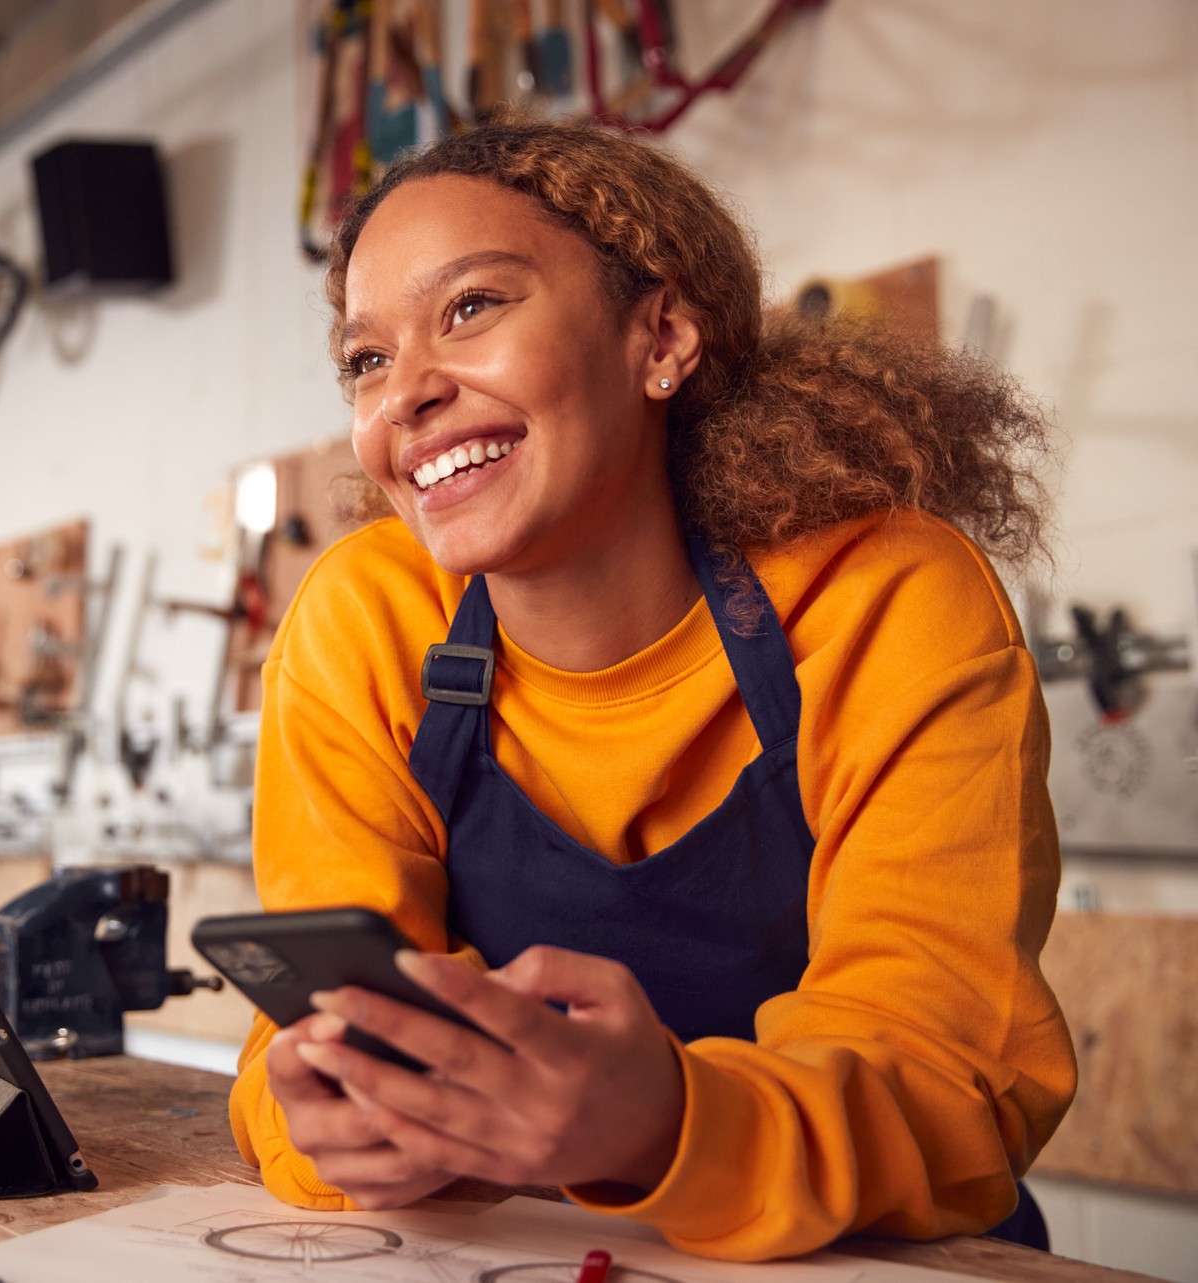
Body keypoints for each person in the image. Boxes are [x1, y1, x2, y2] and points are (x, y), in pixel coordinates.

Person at [227, 114, 1075, 1263]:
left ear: (661, 335)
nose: (404, 395)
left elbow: (951, 1081)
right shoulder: (364, 618)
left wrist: (669, 1123)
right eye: (367, 359)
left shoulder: (883, 597)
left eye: (472, 306)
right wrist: (326, 1118)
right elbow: (305, 1035)